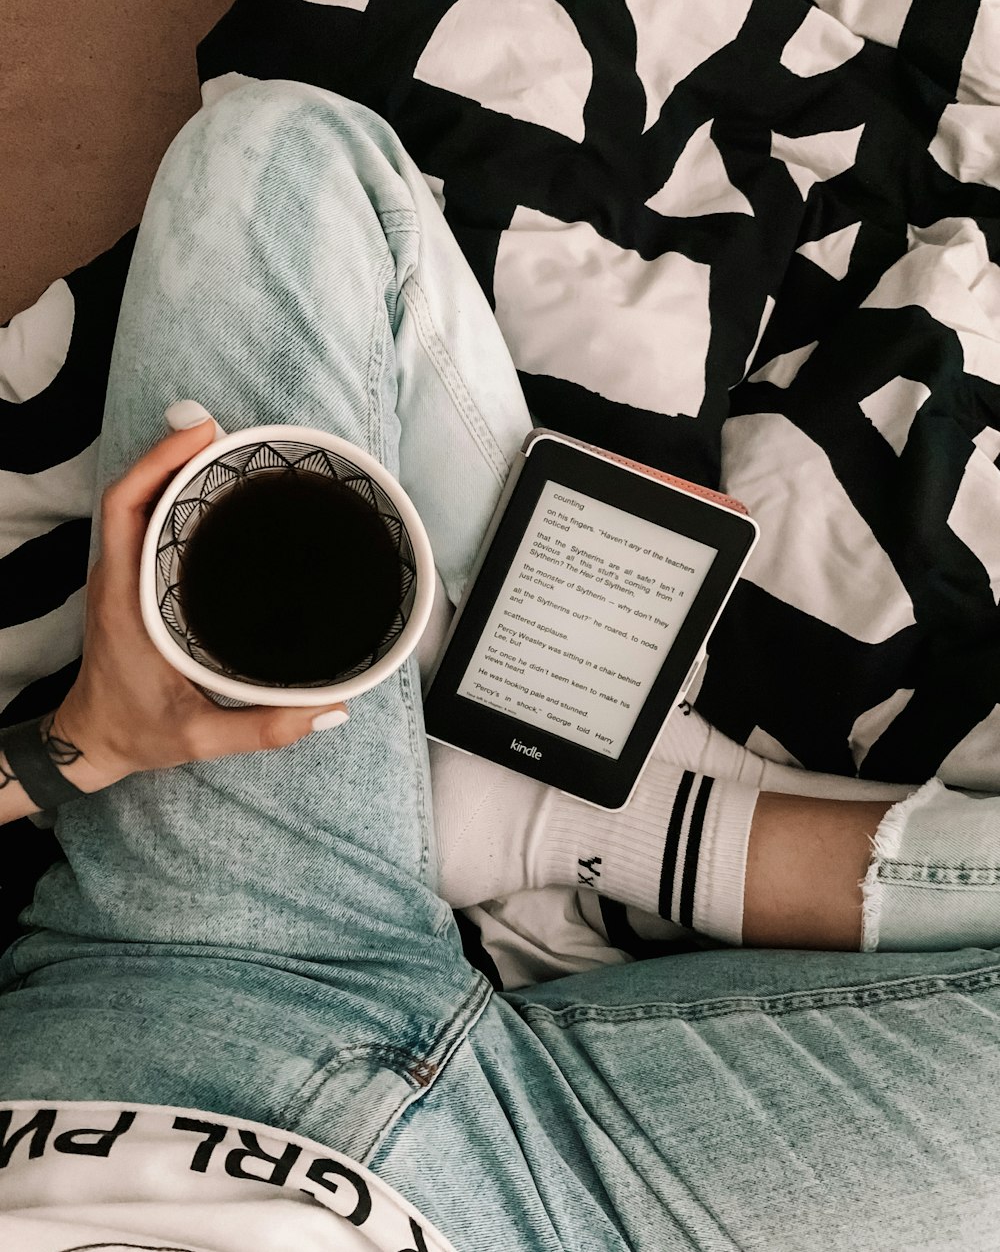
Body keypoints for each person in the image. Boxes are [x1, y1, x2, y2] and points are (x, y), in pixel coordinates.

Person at [1, 79, 999, 1250]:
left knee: (273, 161)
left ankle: (552, 756)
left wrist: (84, 741)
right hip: (534, 1216)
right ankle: (601, 809)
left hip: (175, 982)